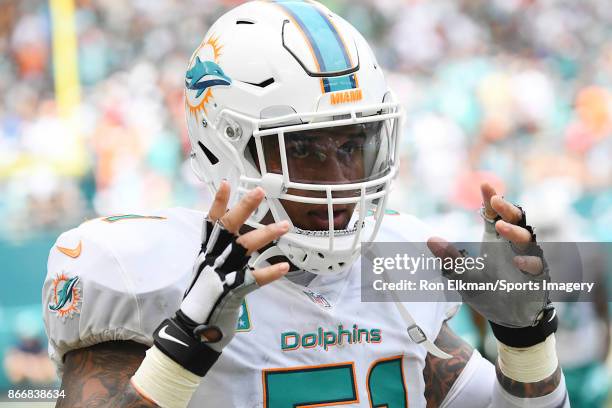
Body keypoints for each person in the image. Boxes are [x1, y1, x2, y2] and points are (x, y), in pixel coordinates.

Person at [43, 1, 569, 407]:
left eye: (351, 146)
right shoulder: (143, 273)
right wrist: (187, 341)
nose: (338, 180)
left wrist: (525, 341)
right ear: (225, 148)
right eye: (303, 149)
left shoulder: (393, 273)